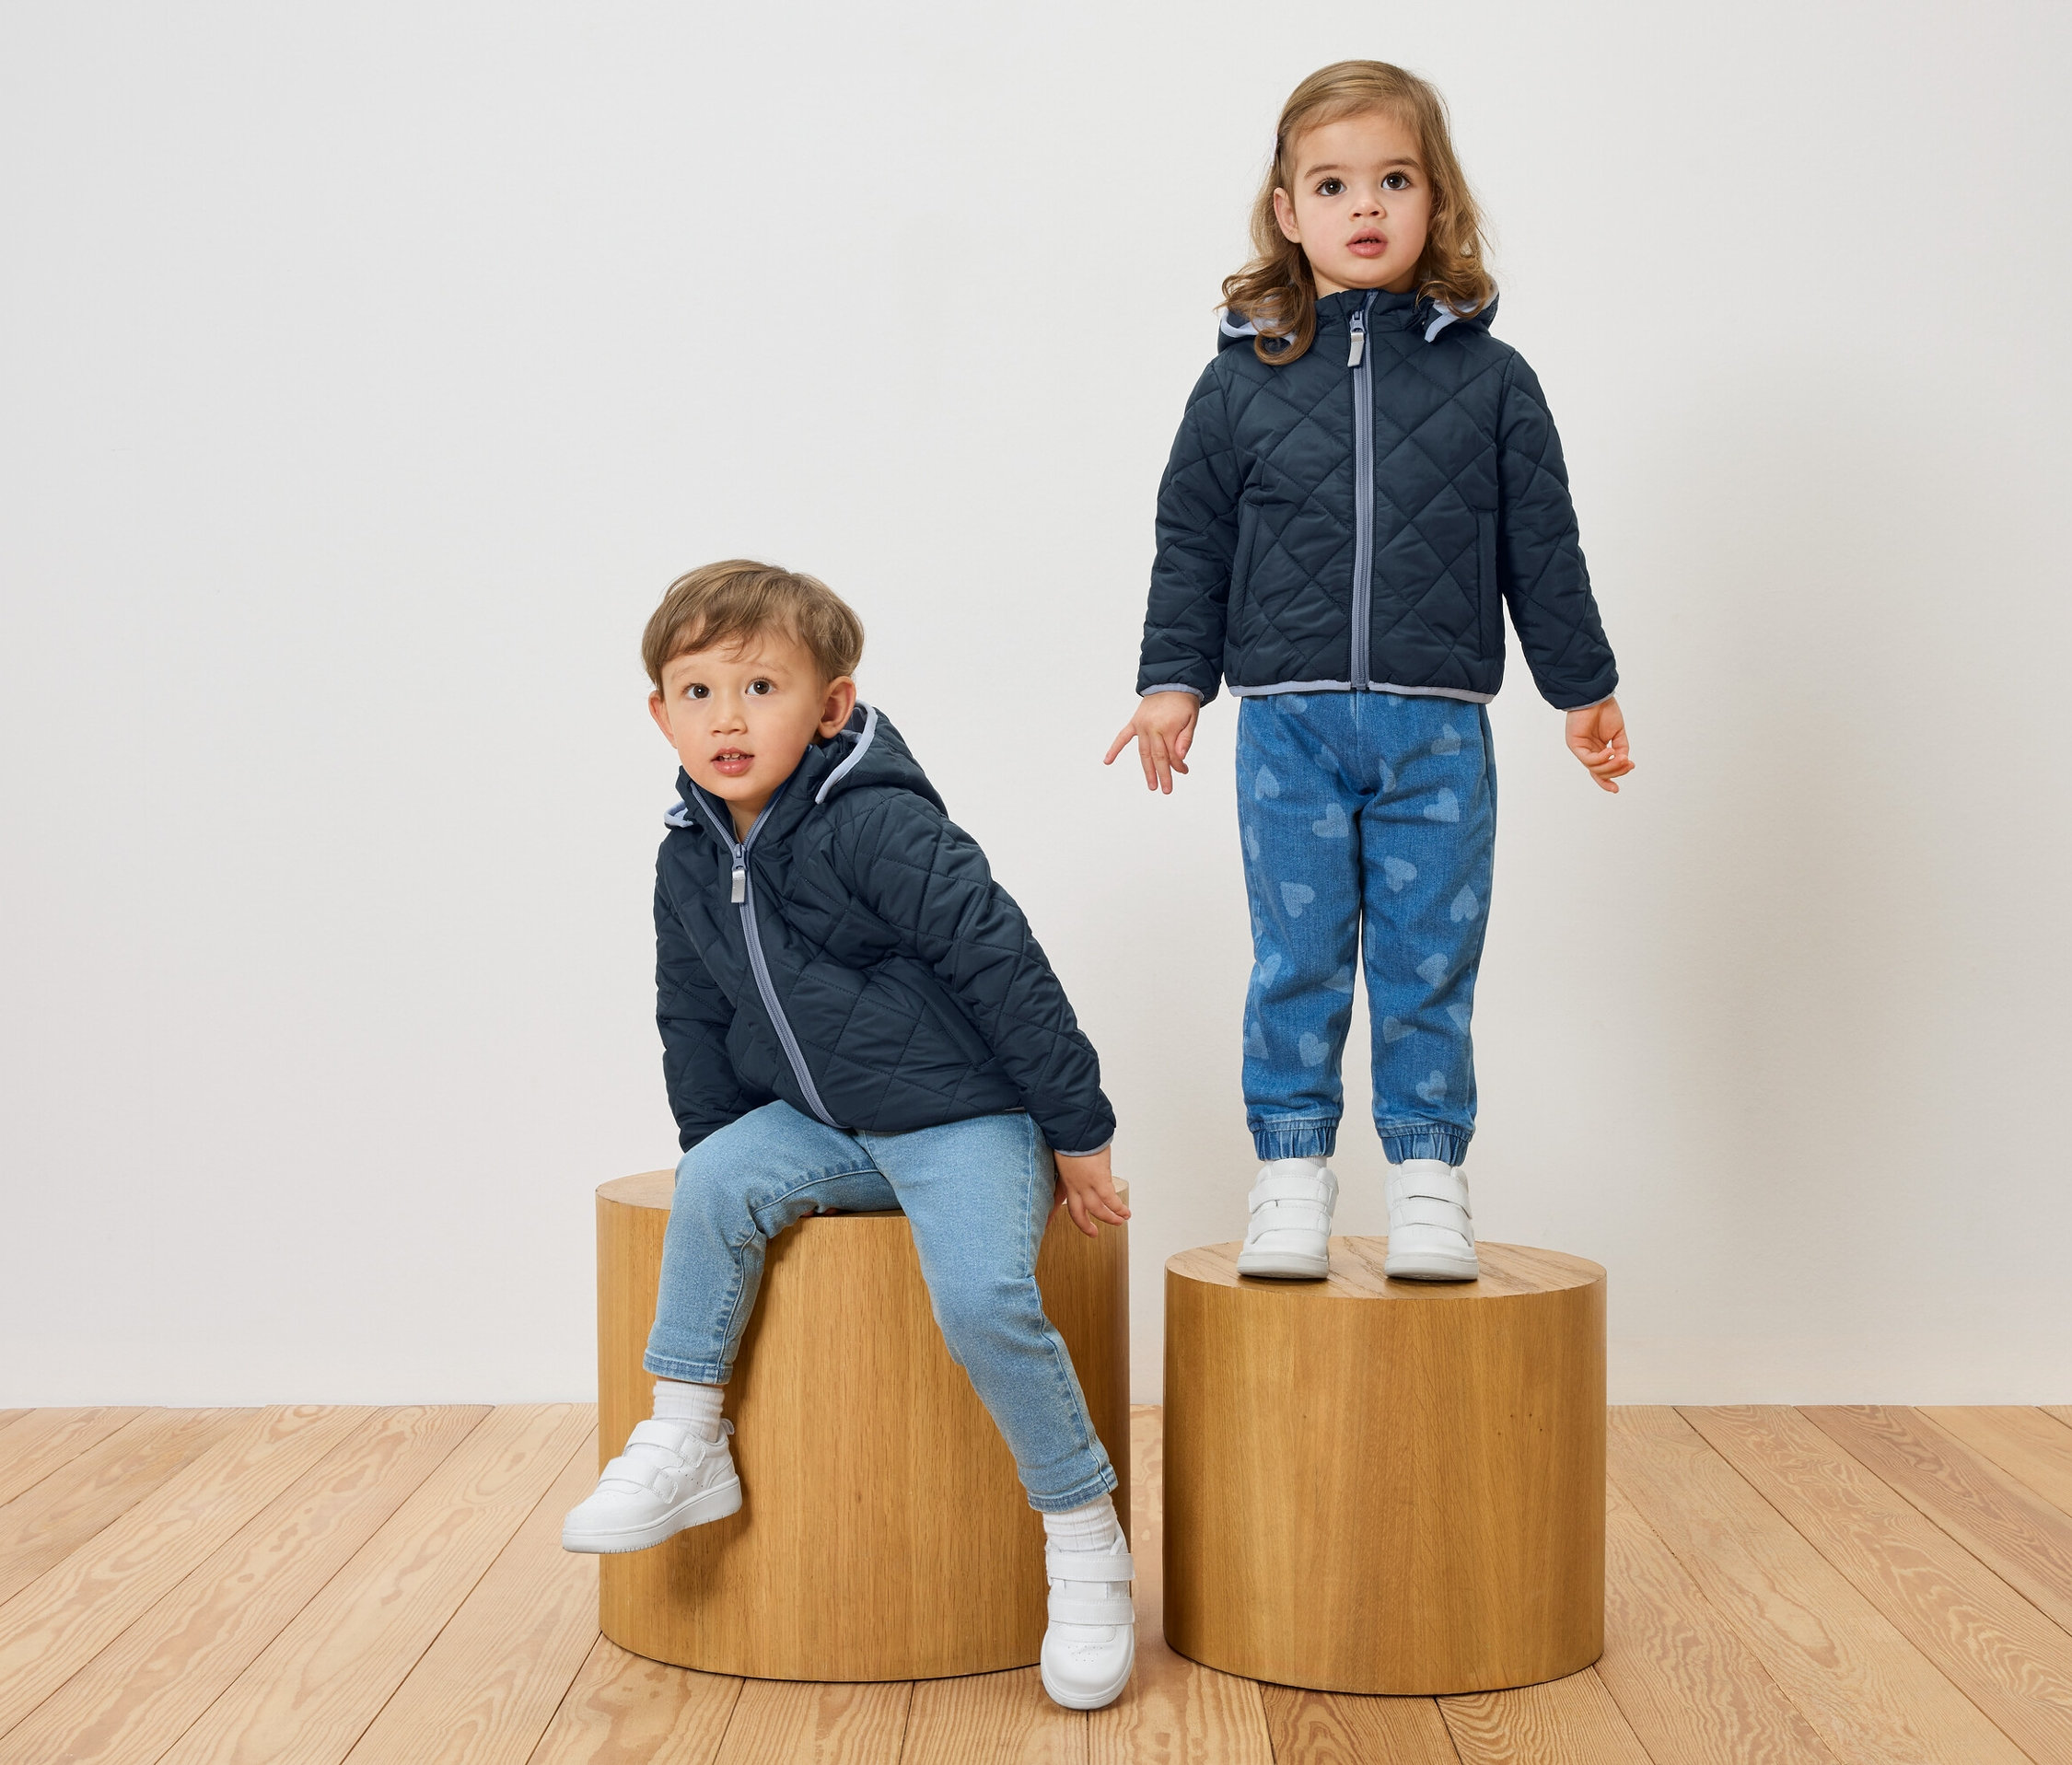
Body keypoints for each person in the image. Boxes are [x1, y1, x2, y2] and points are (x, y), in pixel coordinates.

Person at [562, 561, 1136, 1711]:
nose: (727, 718)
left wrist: (1076, 1131)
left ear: (831, 706)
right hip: (830, 1127)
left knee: (982, 1301)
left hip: (962, 1116)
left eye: (762, 685)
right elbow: (694, 1014)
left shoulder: (874, 823)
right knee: (715, 1177)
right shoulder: (688, 855)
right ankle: (687, 1443)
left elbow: (1003, 962)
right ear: (659, 712)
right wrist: (729, 1150)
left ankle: (1083, 1535)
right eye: (697, 690)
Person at [1108, 60, 1632, 1283]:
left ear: (1433, 198)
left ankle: (1427, 1179)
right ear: (1286, 210)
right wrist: (1170, 684)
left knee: (1423, 962)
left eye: (1392, 179)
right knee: (1293, 957)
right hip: (1284, 724)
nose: (1364, 206)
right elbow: (1191, 538)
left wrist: (1582, 689)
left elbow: (1538, 544)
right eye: (1332, 183)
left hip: (1435, 727)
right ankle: (1288, 1171)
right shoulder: (1240, 381)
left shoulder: (1492, 381)